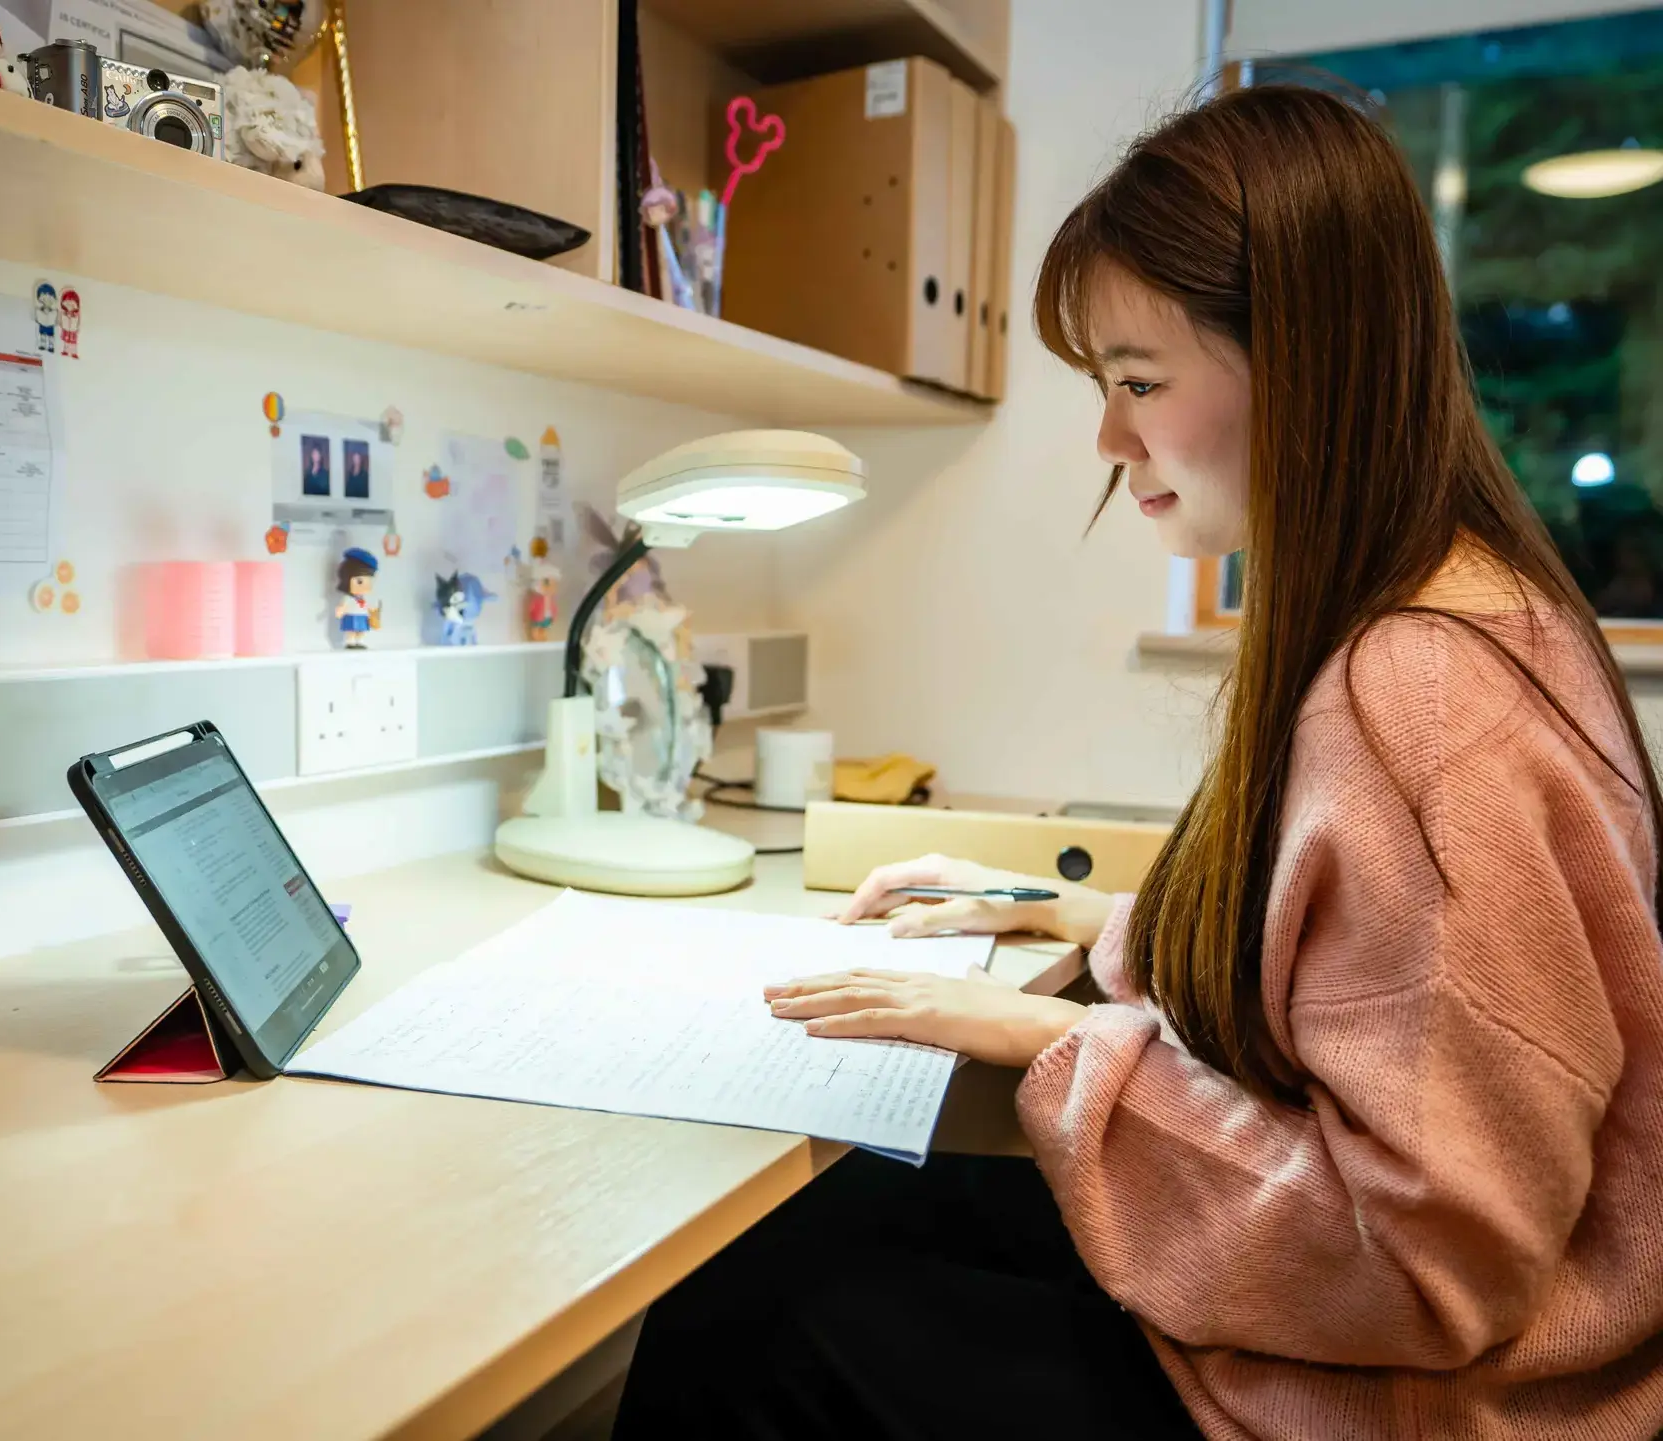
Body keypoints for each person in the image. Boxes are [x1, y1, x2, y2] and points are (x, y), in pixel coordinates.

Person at [615, 84, 1663, 1441]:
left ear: (1304, 361)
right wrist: (1085, 920)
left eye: (1137, 382)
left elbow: (1428, 1266)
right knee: (829, 1216)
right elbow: (1355, 994)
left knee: (771, 1322)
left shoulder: (1422, 689)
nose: (1111, 440)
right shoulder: (1452, 608)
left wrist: (1051, 1037)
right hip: (1441, 1345)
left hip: (1439, 1398)